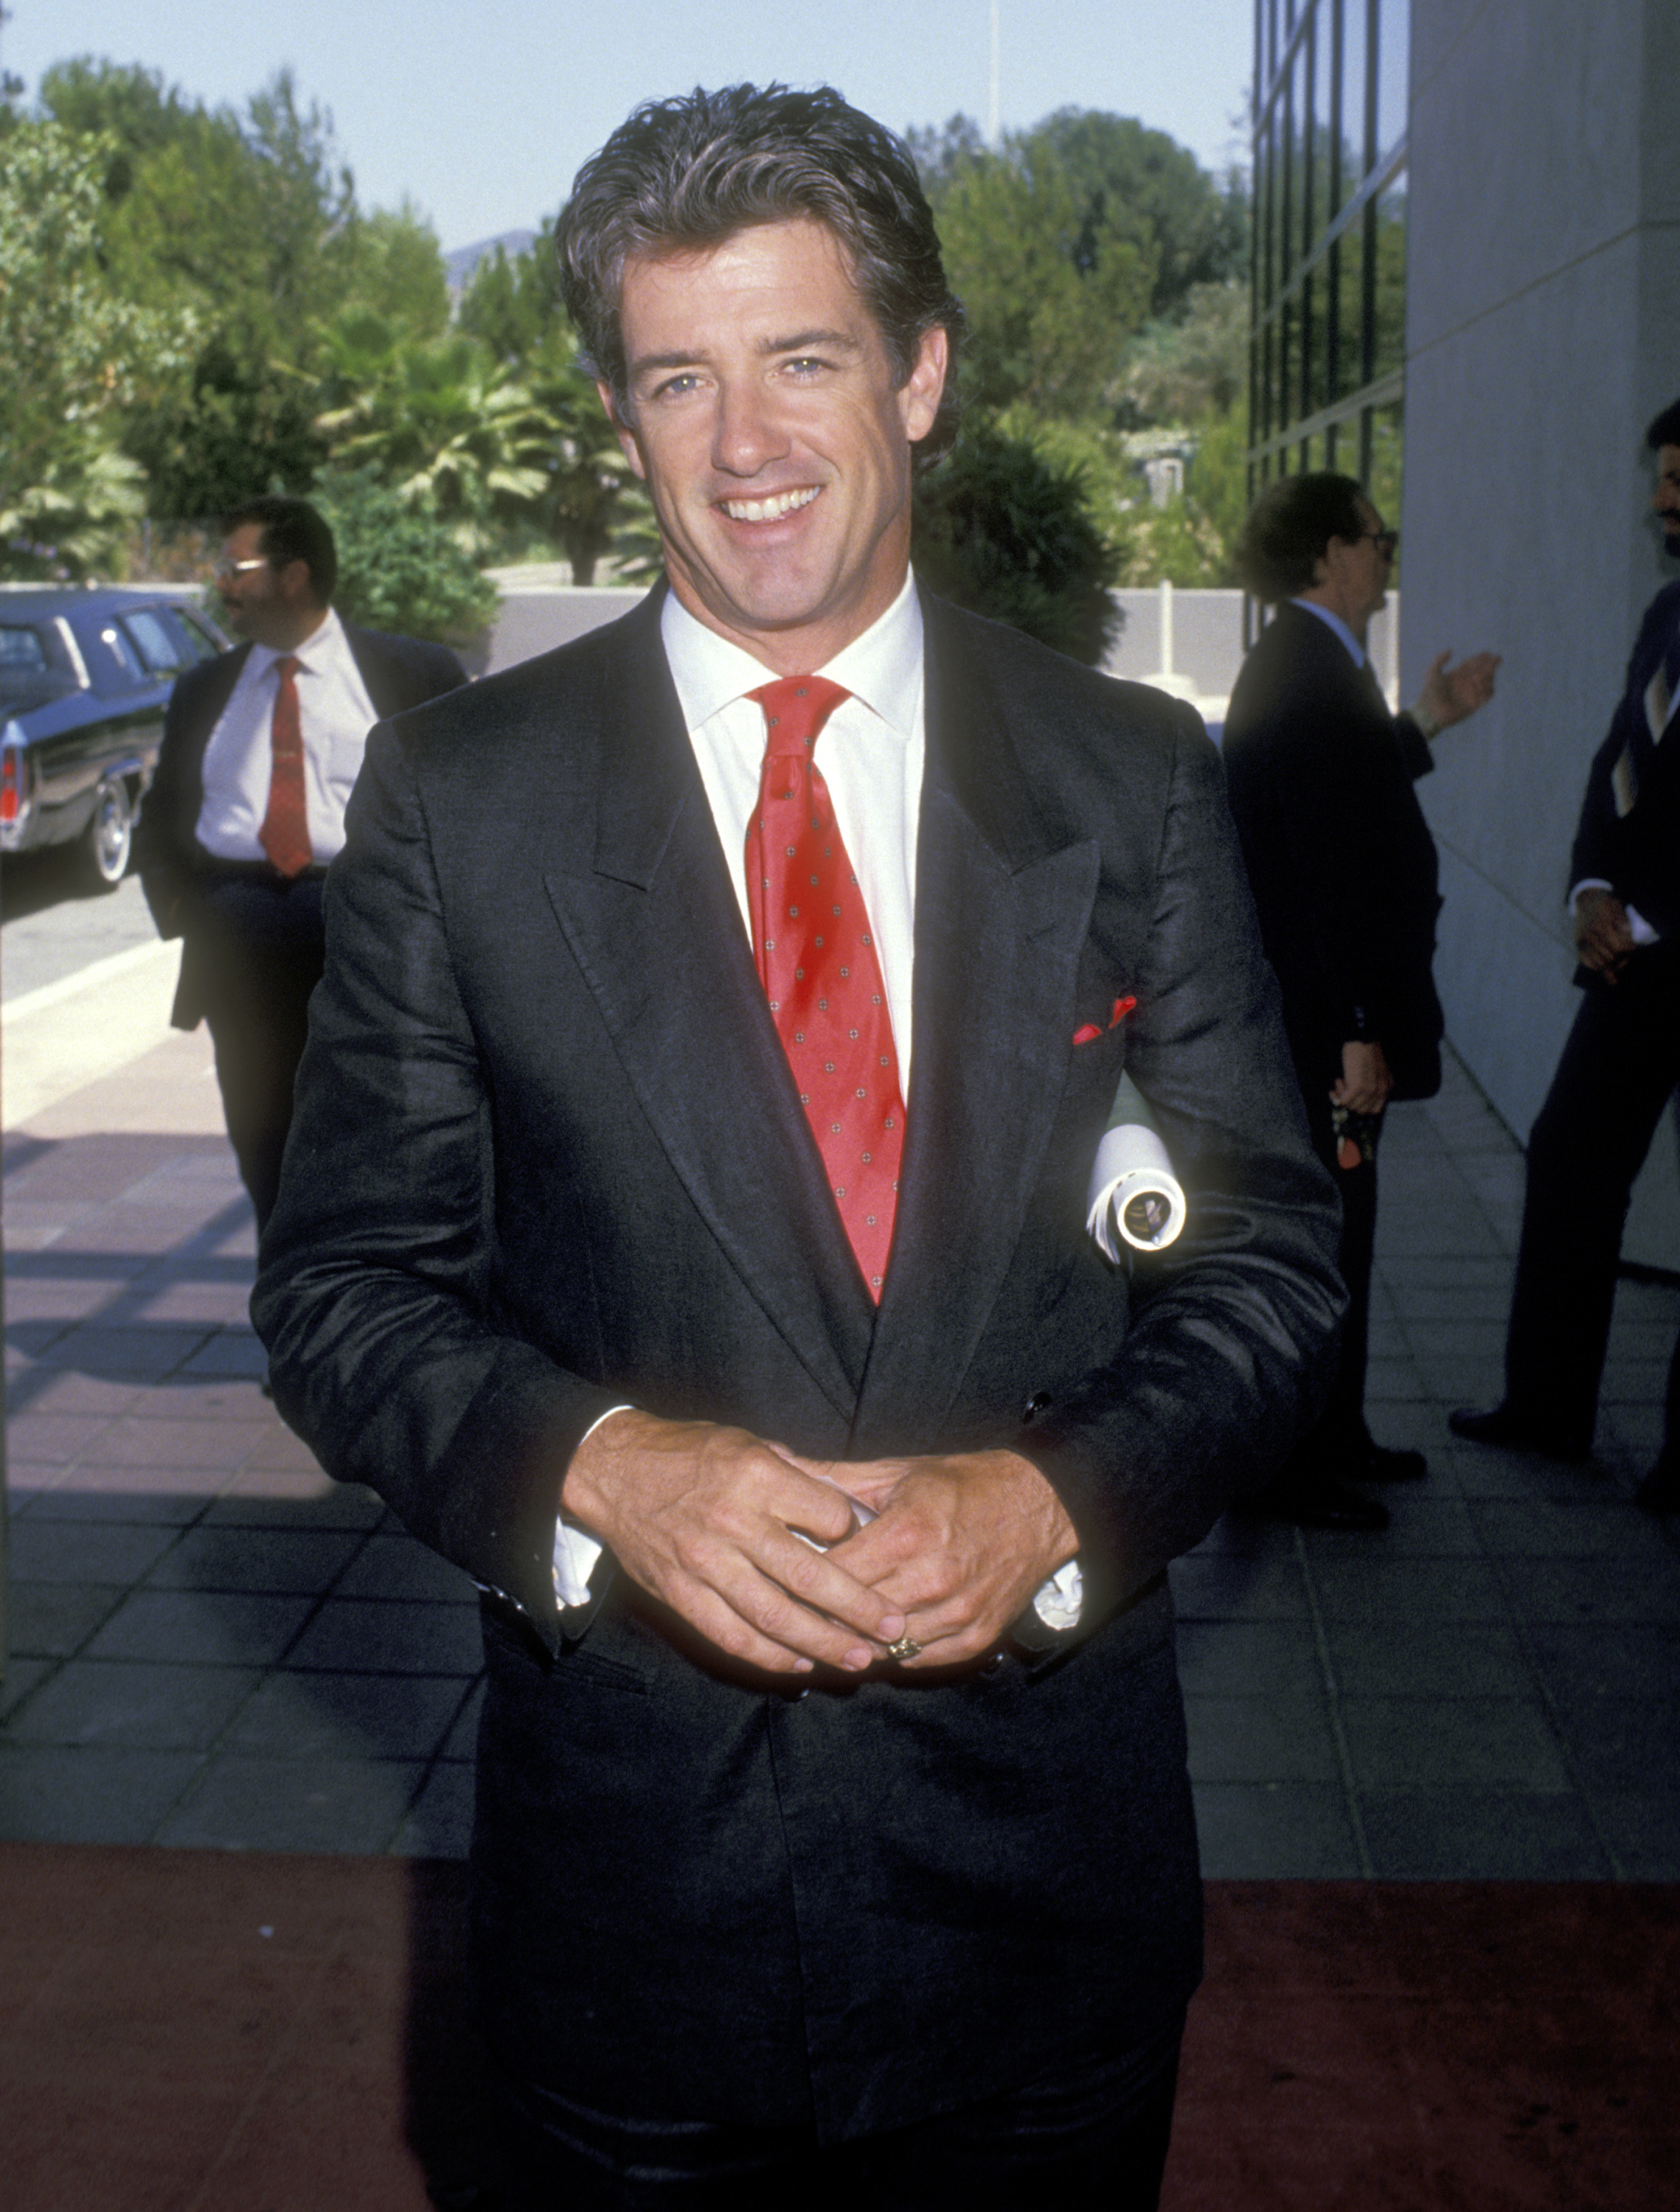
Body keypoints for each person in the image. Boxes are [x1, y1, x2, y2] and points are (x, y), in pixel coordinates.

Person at [251, 86, 1342, 2208]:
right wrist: (595, 1465)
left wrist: (1050, 1493)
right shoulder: (458, 802)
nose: (744, 443)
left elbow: (1269, 1272)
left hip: (1044, 1910)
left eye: (803, 358)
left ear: (918, 374)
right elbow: (340, 1292)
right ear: (617, 411)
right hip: (632, 1923)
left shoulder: (1129, 782)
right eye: (679, 377)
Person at [1222, 473, 1499, 1531]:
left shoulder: (1310, 664)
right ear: (1329, 553)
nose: (1385, 559)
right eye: (1376, 539)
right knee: (1321, 1238)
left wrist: (1427, 718)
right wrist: (1352, 1034)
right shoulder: (1305, 672)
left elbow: (1345, 796)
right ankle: (1289, 1468)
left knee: (1346, 1227)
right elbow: (1320, 879)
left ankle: (1332, 1434)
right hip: (1317, 1032)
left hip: (1319, 1025)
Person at [1453, 402, 1680, 1515]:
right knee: (1570, 1157)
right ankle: (1546, 1409)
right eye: (1660, 477)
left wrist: (1650, 915)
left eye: (1678, 477)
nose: (1660, 500)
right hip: (1630, 957)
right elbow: (1620, 761)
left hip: (1661, 944)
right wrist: (1592, 886)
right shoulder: (1666, 612)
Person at [134, 495, 466, 1231]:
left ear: (294, 576)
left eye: (234, 567)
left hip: (367, 931)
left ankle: (376, 1289)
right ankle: (288, 1302)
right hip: (239, 938)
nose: (219, 584)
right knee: (261, 1131)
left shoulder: (410, 673)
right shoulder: (203, 690)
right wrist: (186, 911)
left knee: (382, 1126)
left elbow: (472, 805)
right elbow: (160, 818)